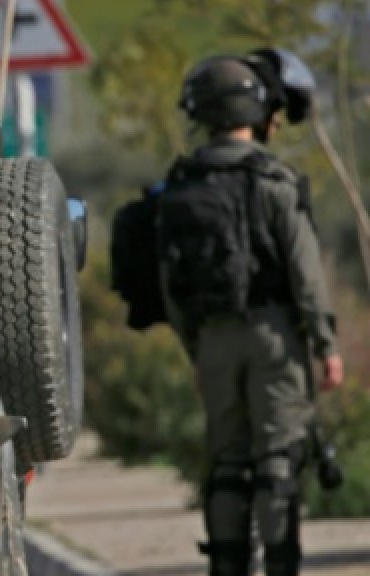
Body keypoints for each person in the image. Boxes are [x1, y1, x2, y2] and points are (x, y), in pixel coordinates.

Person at [160, 48, 345, 576]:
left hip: (213, 339)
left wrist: (195, 345)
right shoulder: (274, 182)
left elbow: (172, 282)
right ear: (255, 110)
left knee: (227, 463)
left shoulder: (182, 185)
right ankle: (281, 566)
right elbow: (306, 274)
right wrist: (326, 345)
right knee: (279, 458)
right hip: (275, 336)